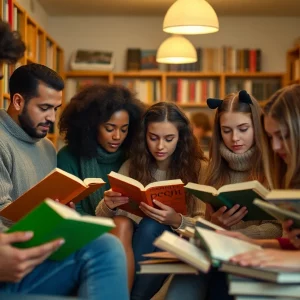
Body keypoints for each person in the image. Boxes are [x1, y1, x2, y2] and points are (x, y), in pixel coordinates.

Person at [0, 63, 128, 299]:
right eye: (45, 108)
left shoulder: (47, 147)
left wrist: (61, 211)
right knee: (104, 250)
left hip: (41, 248)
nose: (52, 118)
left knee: (108, 246)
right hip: (13, 257)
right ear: (18, 102)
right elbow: (3, 217)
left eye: (56, 108)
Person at [165, 90, 282, 300]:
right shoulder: (213, 168)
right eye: (226, 130)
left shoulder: (275, 168)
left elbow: (278, 228)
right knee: (178, 292)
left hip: (254, 256)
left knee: (221, 286)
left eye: (243, 129)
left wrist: (236, 236)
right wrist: (213, 224)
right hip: (211, 253)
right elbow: (203, 221)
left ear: (258, 126)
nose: (235, 138)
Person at [96, 102, 208, 299]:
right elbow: (105, 219)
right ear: (143, 136)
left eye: (169, 138)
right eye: (153, 138)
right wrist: (108, 204)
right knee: (128, 223)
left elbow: (206, 226)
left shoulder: (199, 169)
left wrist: (177, 221)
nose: (160, 146)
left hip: (177, 248)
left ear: (181, 138)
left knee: (151, 224)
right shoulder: (132, 166)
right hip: (133, 247)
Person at [57, 83, 144, 289]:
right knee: (121, 224)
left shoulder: (133, 157)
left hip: (132, 231)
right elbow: (72, 213)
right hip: (85, 230)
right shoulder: (68, 157)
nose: (117, 137)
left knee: (123, 223)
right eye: (109, 128)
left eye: (124, 129)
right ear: (91, 125)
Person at [227, 84, 300, 270]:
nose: (275, 147)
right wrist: (254, 243)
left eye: (282, 136)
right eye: (269, 137)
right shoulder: (288, 175)